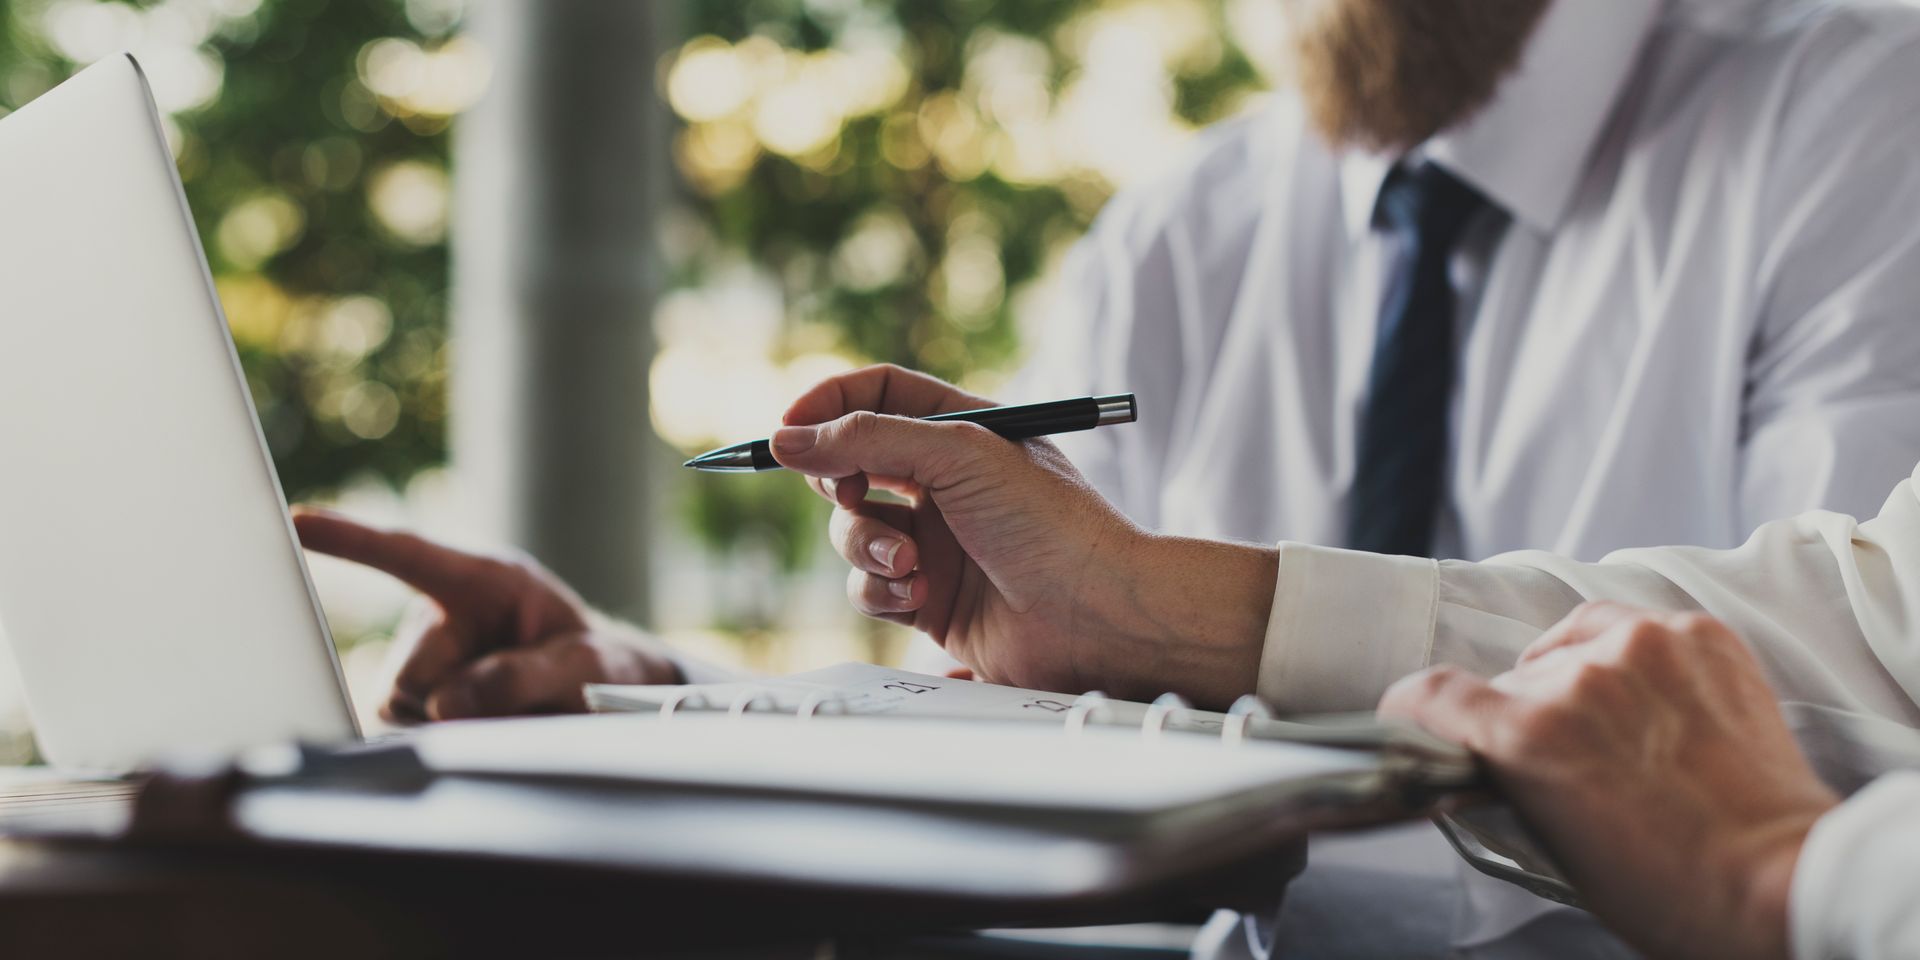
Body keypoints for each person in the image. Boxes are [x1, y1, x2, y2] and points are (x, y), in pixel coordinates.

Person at [300, 0, 1920, 954]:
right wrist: (664, 701)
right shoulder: (1175, 237)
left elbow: (1820, 759)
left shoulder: (1862, 113)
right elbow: (1074, 715)